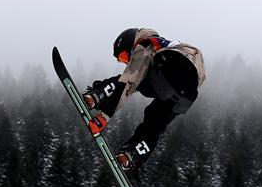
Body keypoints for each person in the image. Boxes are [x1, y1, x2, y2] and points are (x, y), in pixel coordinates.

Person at [82, 27, 205, 171]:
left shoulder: (145, 43)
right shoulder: (165, 44)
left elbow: (130, 80)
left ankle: (97, 96)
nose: (126, 61)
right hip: (186, 92)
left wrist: (103, 116)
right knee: (154, 123)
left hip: (171, 65)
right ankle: (131, 155)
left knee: (126, 80)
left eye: (123, 56)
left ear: (129, 43)